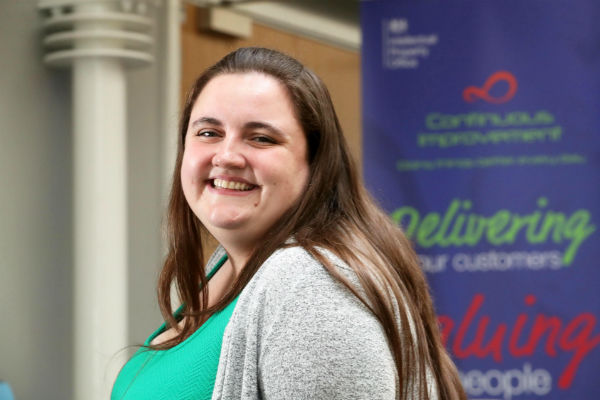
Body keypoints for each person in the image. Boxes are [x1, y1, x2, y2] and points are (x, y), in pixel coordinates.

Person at [112, 47, 466, 400]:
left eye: (261, 138)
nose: (227, 156)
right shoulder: (228, 265)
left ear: (315, 163)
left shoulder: (309, 285)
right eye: (208, 133)